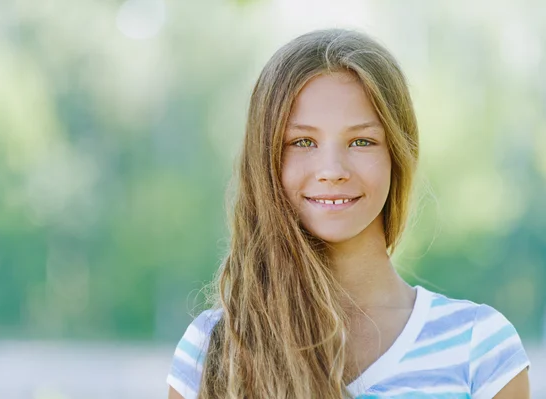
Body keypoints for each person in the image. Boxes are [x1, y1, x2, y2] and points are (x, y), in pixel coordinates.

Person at [166, 28, 531, 398]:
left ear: (397, 156)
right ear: (265, 161)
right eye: (302, 142)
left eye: (361, 141)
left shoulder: (479, 348)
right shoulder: (213, 351)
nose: (332, 169)